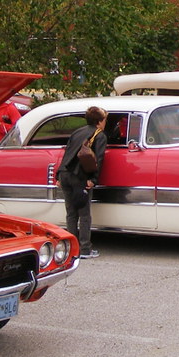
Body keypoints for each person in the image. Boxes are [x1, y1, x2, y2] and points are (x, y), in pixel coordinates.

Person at [56, 106, 108, 259]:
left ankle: (72, 248)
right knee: (84, 214)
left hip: (64, 175)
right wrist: (93, 179)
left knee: (71, 213)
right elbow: (98, 159)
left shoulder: (77, 132)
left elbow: (67, 153)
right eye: (104, 119)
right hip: (79, 177)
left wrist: (58, 175)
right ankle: (85, 248)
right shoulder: (100, 135)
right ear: (99, 121)